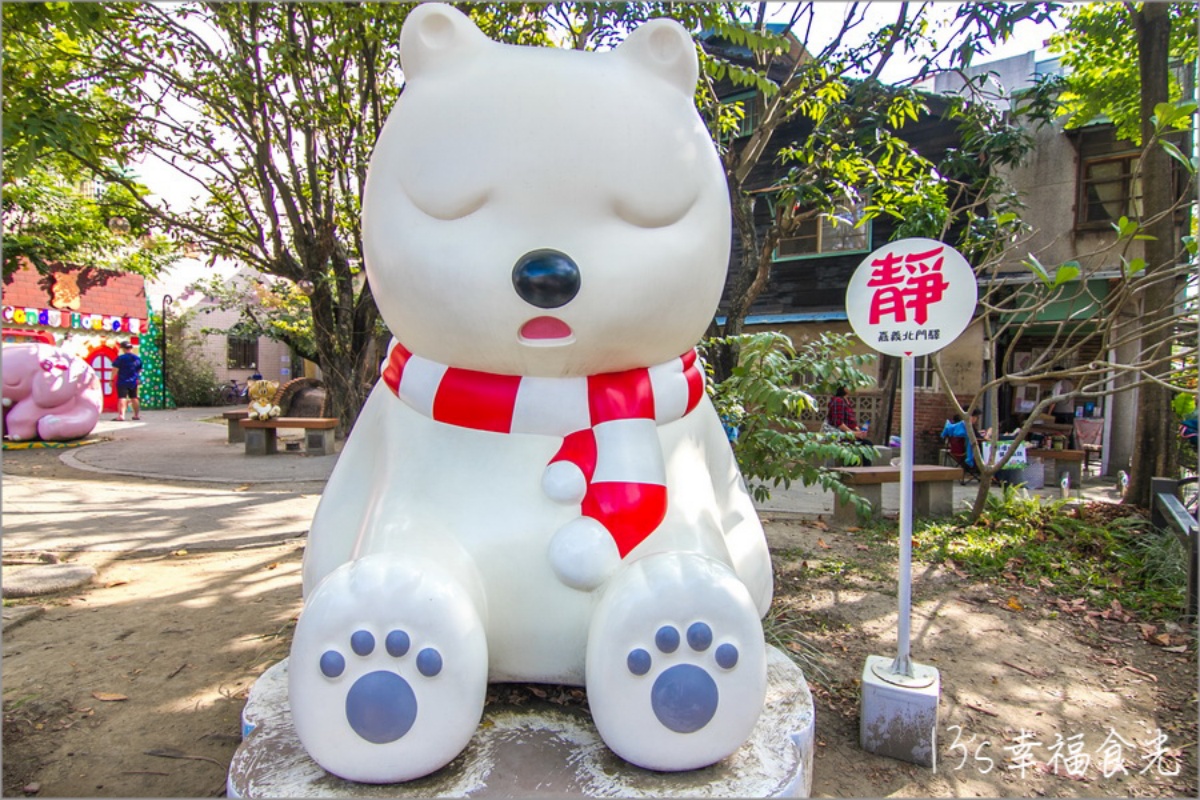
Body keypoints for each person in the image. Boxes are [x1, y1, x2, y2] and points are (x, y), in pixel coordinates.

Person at [825, 386, 874, 465]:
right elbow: (838, 423)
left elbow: (852, 421)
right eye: (849, 385)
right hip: (841, 437)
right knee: (856, 452)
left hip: (850, 436)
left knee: (868, 445)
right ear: (843, 388)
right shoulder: (838, 401)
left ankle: (866, 473)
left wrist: (859, 431)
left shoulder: (847, 401)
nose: (853, 387)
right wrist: (853, 433)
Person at [113, 342, 143, 421]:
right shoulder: (137, 358)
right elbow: (140, 370)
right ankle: (136, 415)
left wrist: (111, 379)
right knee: (134, 397)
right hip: (133, 381)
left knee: (122, 397)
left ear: (123, 349)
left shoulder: (121, 358)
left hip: (122, 381)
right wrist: (138, 377)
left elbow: (115, 369)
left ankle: (121, 415)